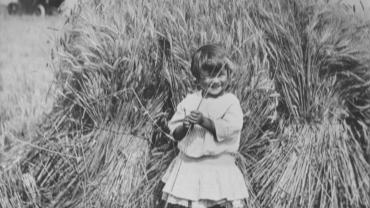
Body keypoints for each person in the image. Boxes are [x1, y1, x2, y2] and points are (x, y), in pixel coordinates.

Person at [161, 44, 249, 208]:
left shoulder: (230, 102)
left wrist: (204, 121)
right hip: (189, 169)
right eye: (208, 76)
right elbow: (176, 132)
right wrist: (185, 125)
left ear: (228, 75)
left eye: (220, 74)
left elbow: (230, 128)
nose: (215, 81)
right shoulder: (190, 101)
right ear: (197, 79)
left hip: (219, 170)